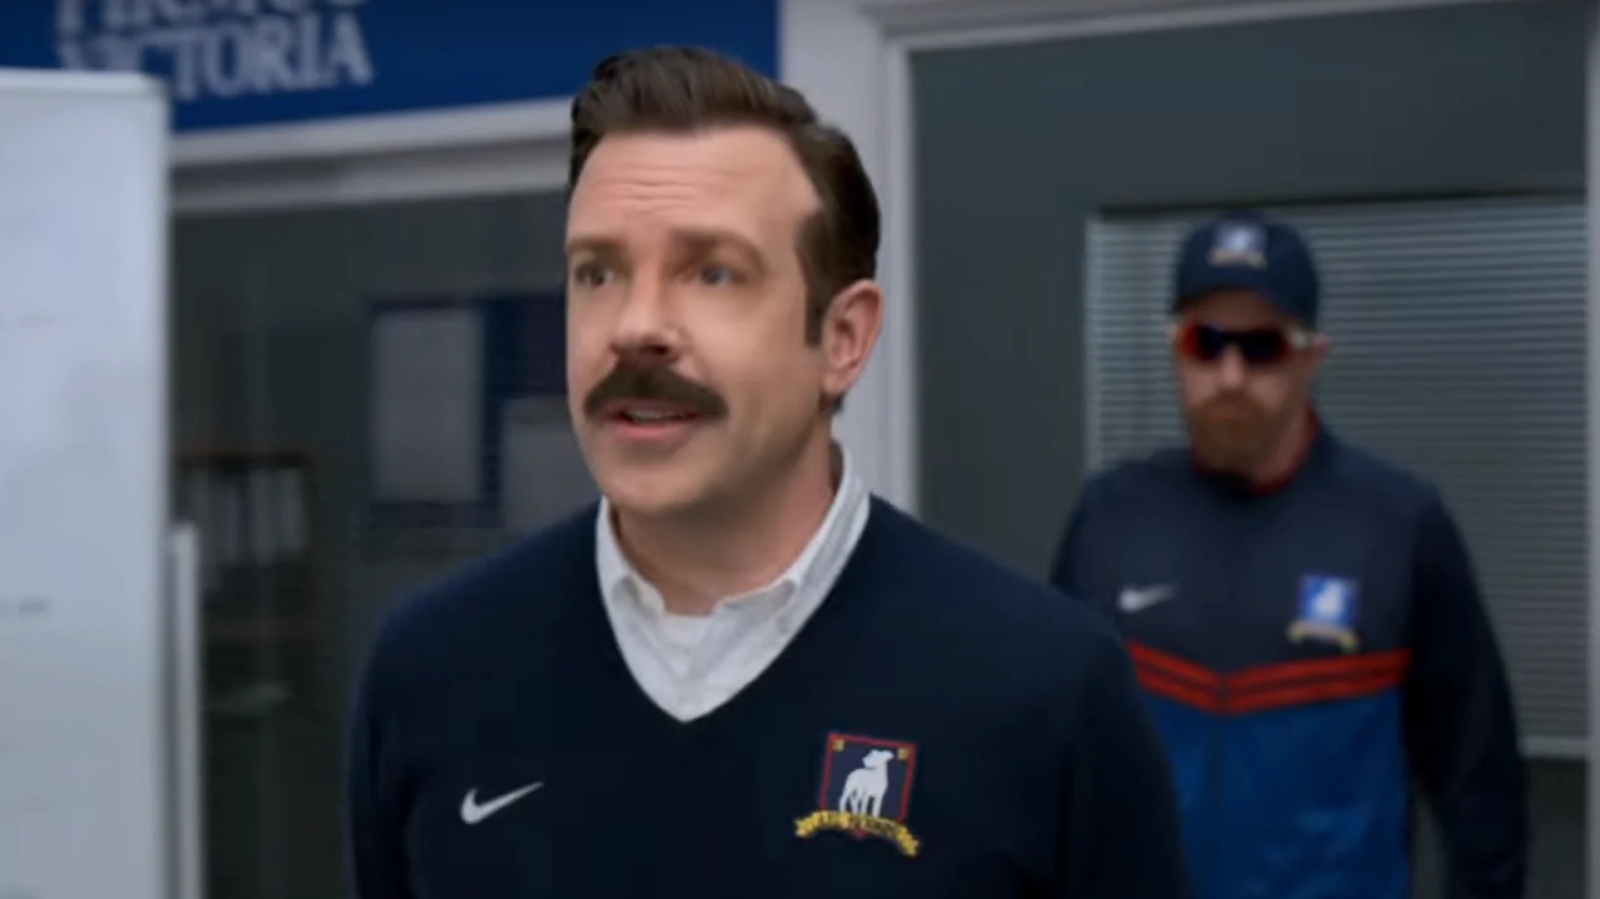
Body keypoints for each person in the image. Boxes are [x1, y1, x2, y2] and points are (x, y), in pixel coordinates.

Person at [344, 45, 1191, 898]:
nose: (635, 327)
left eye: (713, 272)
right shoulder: (432, 671)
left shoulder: (1043, 689)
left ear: (843, 338)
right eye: (597, 272)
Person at [1049, 210, 1528, 899]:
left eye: (1262, 346)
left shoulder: (1399, 527)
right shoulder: (1110, 518)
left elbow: (1481, 793)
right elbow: (1053, 755)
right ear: (1176, 352)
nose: (1230, 374)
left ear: (1311, 356)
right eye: (1205, 342)